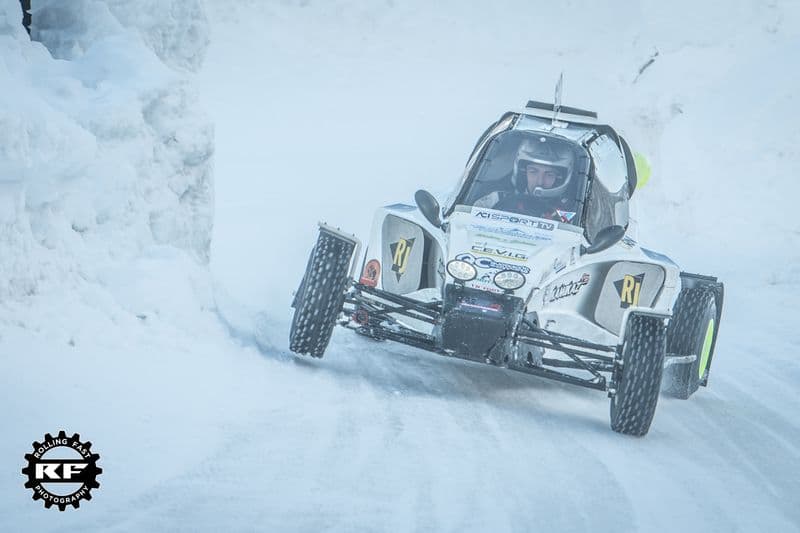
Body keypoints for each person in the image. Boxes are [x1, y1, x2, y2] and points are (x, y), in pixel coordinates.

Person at [474, 137, 578, 222]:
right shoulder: (496, 199)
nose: (540, 181)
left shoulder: (568, 212)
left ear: (560, 178)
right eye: (533, 172)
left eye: (549, 174)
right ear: (523, 173)